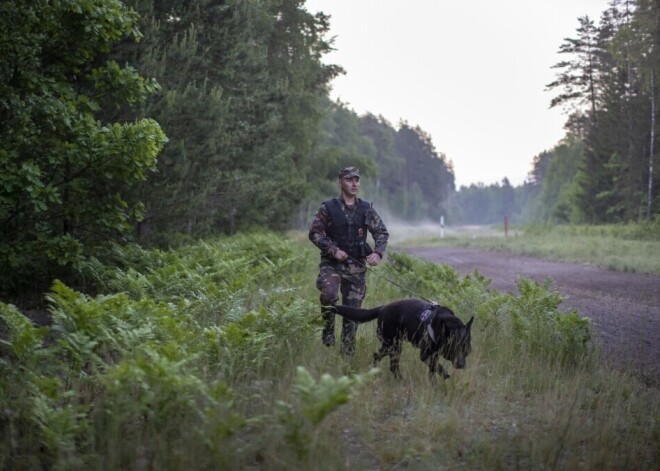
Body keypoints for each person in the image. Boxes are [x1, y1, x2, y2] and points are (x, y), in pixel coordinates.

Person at [308, 166, 389, 356]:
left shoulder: (366, 209)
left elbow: (382, 232)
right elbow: (315, 233)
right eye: (349, 179)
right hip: (332, 264)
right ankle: (328, 330)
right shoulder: (328, 208)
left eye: (357, 180)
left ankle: (347, 355)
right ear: (340, 182)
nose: (354, 184)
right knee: (328, 295)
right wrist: (333, 250)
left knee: (353, 313)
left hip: (356, 268)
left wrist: (377, 253)